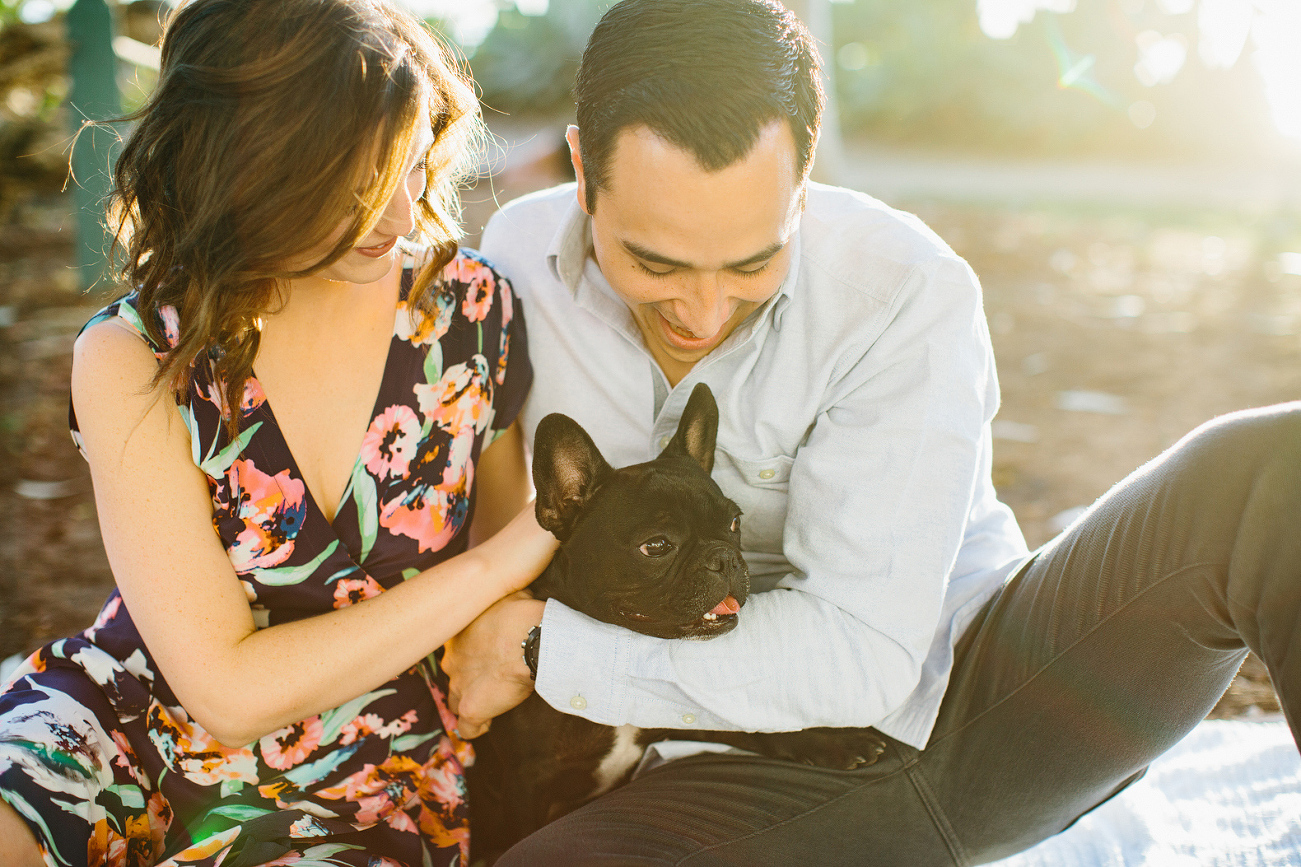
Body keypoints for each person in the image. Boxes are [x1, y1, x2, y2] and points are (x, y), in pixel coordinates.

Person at [442, 0, 1301, 863]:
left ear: (803, 180)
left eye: (751, 263)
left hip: (975, 712)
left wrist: (545, 650)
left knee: (1273, 472)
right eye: (653, 264)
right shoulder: (520, 256)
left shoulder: (903, 290)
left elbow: (861, 659)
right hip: (710, 777)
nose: (701, 314)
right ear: (581, 169)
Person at [0, 1, 556, 864]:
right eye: (359, 188)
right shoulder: (136, 355)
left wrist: (507, 584)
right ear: (251, 164)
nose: (403, 217)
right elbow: (223, 689)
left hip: (371, 759)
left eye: (412, 166)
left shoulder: (472, 314)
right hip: (133, 714)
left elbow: (503, 593)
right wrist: (496, 562)